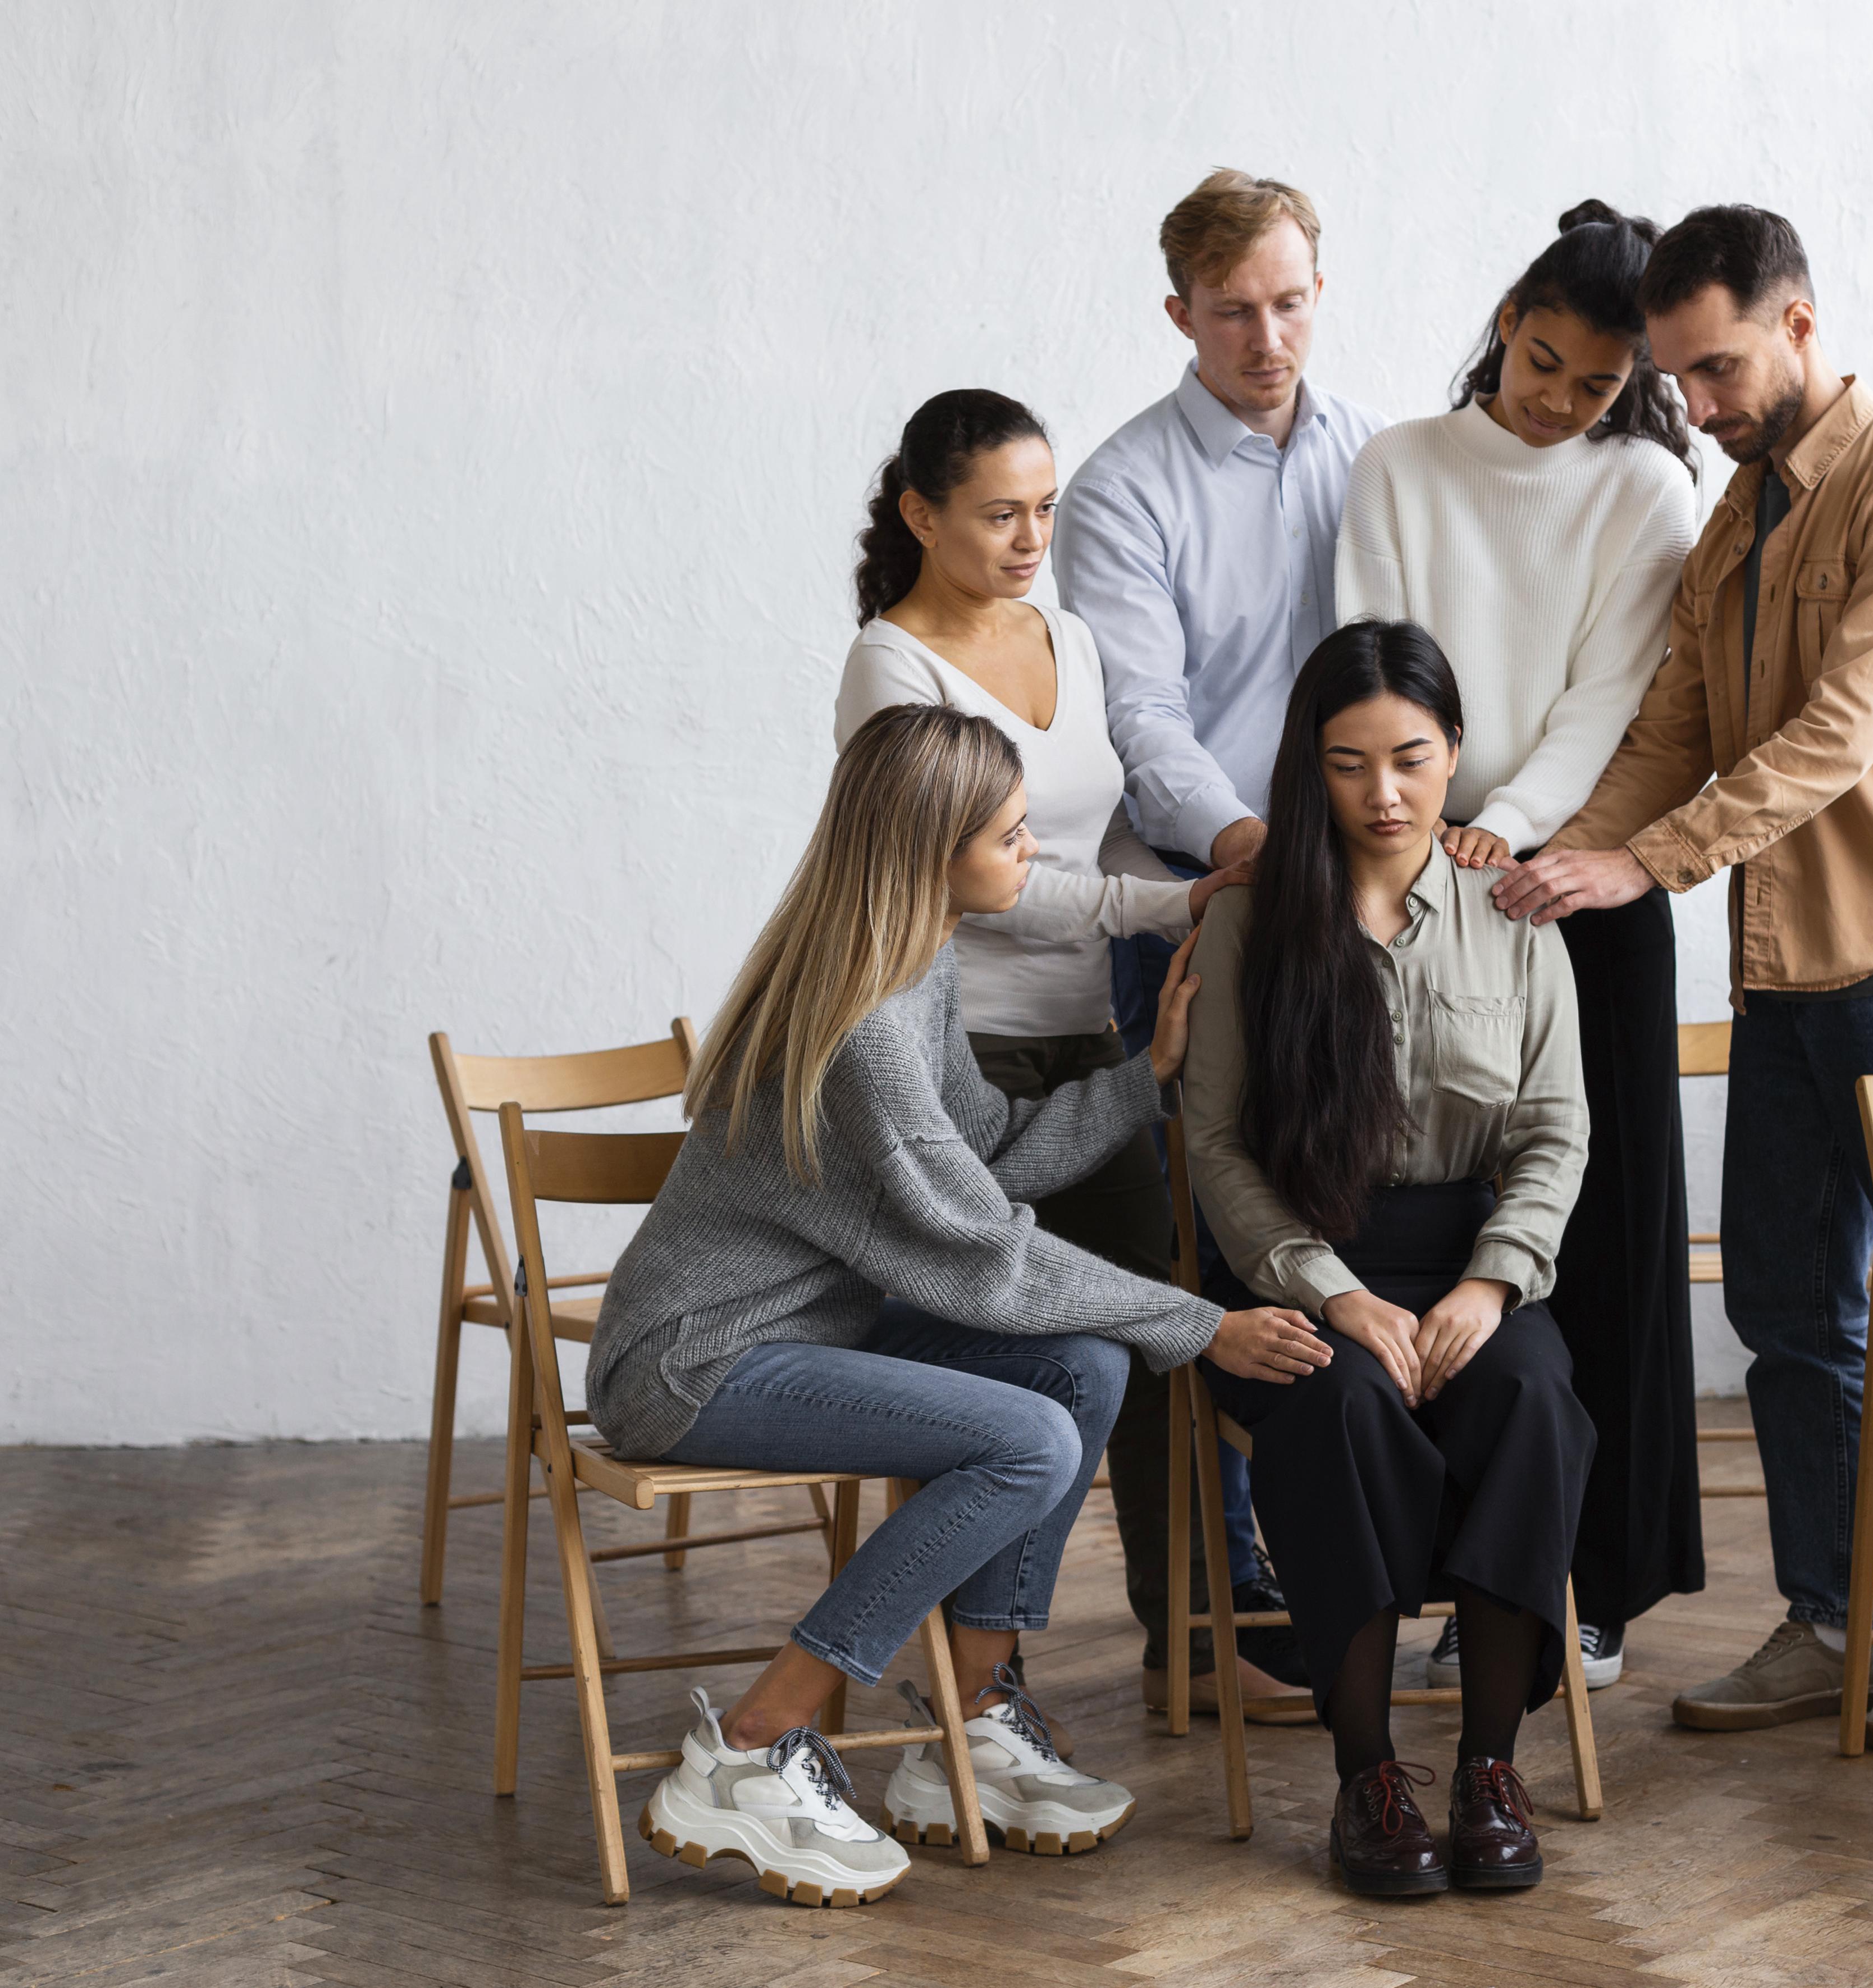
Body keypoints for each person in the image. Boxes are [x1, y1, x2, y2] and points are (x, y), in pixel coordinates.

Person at [590, 704, 1331, 1905]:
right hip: (692, 1365)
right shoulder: (865, 1027)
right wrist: (1199, 1325)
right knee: (1028, 1432)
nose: (1030, 853)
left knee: (1079, 1368)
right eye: (1011, 833)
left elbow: (984, 1159)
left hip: (796, 1338)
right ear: (929, 851)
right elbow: (985, 1248)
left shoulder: (914, 962)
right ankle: (749, 1747)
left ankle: (973, 1729)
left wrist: (1143, 1078)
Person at [1491, 206, 1873, 1752]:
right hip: (1785, 974)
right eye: (1678, 379)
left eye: (1717, 368)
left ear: (1797, 322)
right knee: (1791, 1317)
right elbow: (1671, 726)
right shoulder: (1731, 517)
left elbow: (1833, 737)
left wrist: (1643, 866)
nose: (1701, 406)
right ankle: (1828, 1624)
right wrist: (1540, 857)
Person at [831, 386, 1309, 1726]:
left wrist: (1190, 883)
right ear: (922, 516)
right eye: (999, 514)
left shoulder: (1071, 639)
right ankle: (984, 1680)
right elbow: (986, 872)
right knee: (987, 1349)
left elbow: (1095, 843)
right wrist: (1178, 905)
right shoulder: (892, 664)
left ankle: (1196, 1643)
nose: (1032, 536)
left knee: (1150, 1336)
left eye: (1045, 508)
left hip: (1085, 1037)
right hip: (955, 1049)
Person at [1336, 199, 1705, 1696]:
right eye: (1540, 362)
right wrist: (1431, 835)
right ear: (1503, 318)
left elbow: (1612, 692)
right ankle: (1444, 1580)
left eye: (1594, 386)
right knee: (1418, 1225)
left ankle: (1594, 1586)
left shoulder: (1647, 490)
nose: (1556, 401)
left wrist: (1521, 835)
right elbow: (1372, 653)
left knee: (1601, 1241)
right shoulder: (1398, 465)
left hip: (1572, 890)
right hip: (1403, 871)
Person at [1183, 620, 1596, 1897]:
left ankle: (1486, 1766)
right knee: (1342, 1403)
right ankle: (1366, 1776)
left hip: (1470, 1256)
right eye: (1349, 763)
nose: (1385, 794)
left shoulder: (1514, 913)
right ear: (1311, 766)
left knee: (1531, 1397)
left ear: (1456, 753)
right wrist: (1333, 1292)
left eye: (1412, 759)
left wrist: (1493, 1278)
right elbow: (1215, 1147)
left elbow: (1555, 1128)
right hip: (1303, 1265)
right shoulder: (1256, 922)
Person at [1058, 165, 1387, 1713]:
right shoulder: (1124, 486)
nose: (1267, 339)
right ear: (1177, 313)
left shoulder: (1372, 460)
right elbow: (1141, 722)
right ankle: (1206, 1604)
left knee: (1330, 1230)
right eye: (1234, 311)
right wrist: (1262, 854)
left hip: (1349, 913)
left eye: (1290, 303)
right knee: (1179, 1261)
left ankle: (1342, 1559)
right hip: (1201, 906)